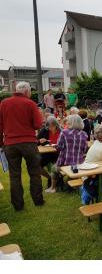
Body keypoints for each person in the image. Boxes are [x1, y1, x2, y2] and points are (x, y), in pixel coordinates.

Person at [0, 81, 44, 210]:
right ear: (26, 92)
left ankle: (18, 205)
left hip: (10, 143)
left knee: (14, 175)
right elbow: (37, 125)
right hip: (28, 143)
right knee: (34, 172)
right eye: (30, 91)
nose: (30, 94)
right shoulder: (30, 103)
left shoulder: (3, 103)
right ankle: (38, 200)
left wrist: (1, 143)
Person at [46, 114, 88, 193]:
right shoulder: (84, 134)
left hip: (65, 163)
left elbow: (60, 147)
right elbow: (85, 149)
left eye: (68, 122)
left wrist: (55, 146)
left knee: (54, 169)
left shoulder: (64, 132)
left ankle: (52, 188)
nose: (67, 123)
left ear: (72, 123)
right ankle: (70, 185)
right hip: (79, 163)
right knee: (61, 169)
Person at [37, 116, 61, 188]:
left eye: (52, 126)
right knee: (36, 166)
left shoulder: (61, 131)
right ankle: (49, 177)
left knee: (56, 166)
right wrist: (39, 141)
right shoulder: (44, 131)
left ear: (56, 125)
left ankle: (56, 181)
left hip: (58, 153)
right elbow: (35, 141)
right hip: (47, 153)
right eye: (49, 126)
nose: (50, 128)